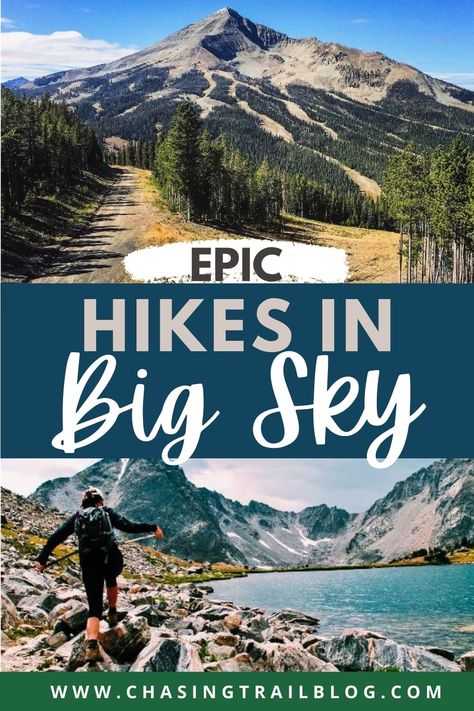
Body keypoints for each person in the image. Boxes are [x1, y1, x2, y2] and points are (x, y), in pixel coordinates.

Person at [35, 486, 164, 661]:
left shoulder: (78, 517)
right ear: (100, 500)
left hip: (89, 564)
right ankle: (112, 611)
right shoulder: (107, 513)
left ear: (84, 502)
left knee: (94, 608)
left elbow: (56, 537)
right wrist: (153, 527)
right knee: (111, 578)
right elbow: (129, 526)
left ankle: (91, 647)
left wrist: (42, 559)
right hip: (111, 559)